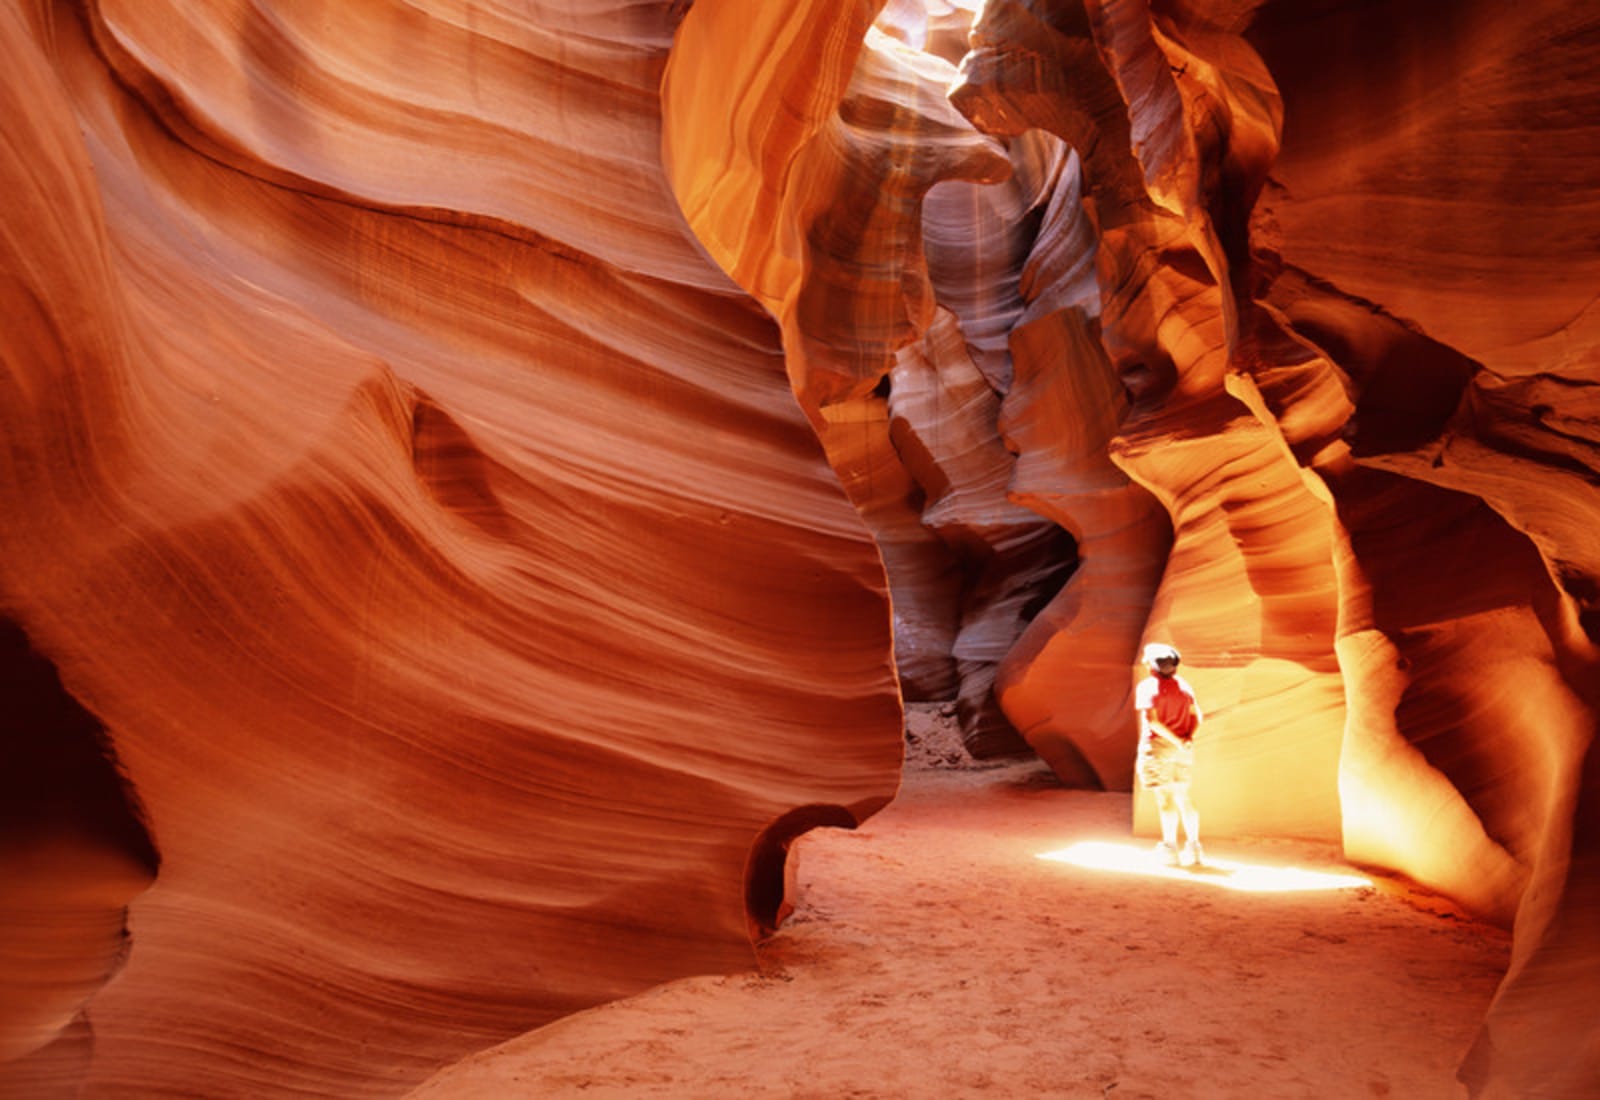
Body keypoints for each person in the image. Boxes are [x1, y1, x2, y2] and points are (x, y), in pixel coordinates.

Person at [1134, 642, 1204, 866]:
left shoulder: (1147, 687)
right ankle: (1194, 848)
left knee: (1165, 798)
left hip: (1158, 748)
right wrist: (1187, 739)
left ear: (1152, 666)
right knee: (1184, 796)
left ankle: (1170, 849)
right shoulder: (1184, 686)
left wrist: (1175, 740)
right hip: (1183, 750)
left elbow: (1153, 721)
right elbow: (1197, 716)